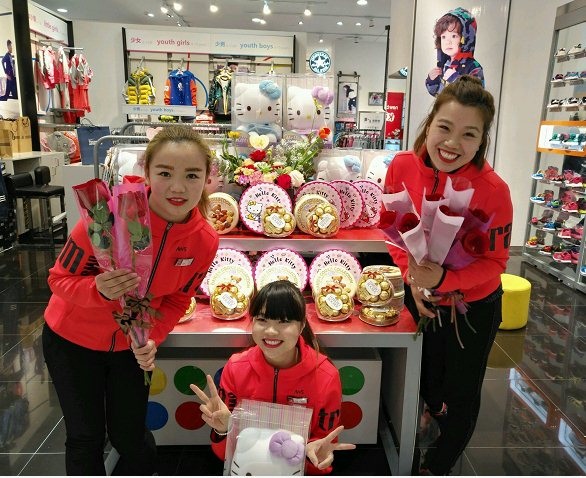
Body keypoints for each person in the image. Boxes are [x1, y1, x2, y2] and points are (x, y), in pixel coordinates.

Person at [42, 125, 220, 475]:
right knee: (85, 438)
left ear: (207, 179)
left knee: (131, 438)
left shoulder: (204, 240)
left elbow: (178, 300)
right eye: (165, 173)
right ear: (147, 173)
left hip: (131, 349)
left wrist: (152, 337)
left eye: (191, 175)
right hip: (71, 342)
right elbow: (59, 279)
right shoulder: (105, 218)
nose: (178, 187)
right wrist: (97, 290)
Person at [384, 75, 512, 475]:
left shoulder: (494, 190)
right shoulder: (402, 165)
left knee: (460, 395)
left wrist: (444, 281)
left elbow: (495, 263)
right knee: (423, 379)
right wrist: (412, 277)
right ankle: (424, 426)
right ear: (429, 123)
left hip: (472, 308)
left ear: (482, 140)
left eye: (469, 134)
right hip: (421, 296)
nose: (452, 143)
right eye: (445, 127)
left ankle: (438, 466)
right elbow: (392, 229)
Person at [191, 280, 355, 475]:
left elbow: (323, 446)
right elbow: (224, 454)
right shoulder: (236, 368)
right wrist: (223, 430)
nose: (271, 331)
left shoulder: (326, 376)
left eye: (284, 321)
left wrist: (314, 452)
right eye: (262, 319)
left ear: (302, 325)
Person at [425, 8, 484, 97]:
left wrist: (456, 79)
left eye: (454, 36)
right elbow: (439, 94)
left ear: (465, 38)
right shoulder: (445, 64)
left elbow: (477, 96)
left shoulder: (473, 66)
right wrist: (432, 81)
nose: (448, 42)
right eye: (443, 37)